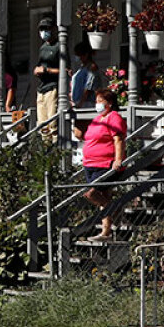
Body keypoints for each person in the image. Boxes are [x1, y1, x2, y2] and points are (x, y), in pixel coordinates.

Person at [72, 88, 126, 240]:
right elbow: (88, 137)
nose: (97, 105)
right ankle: (105, 232)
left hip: (105, 164)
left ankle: (115, 209)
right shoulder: (97, 119)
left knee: (91, 193)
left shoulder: (114, 117)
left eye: (100, 101)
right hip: (90, 164)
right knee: (104, 196)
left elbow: (118, 139)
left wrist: (118, 159)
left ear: (109, 103)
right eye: (96, 101)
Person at [34, 19, 60, 140]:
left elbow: (66, 70)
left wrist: (47, 70)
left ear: (53, 29)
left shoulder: (59, 46)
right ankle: (47, 154)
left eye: (47, 29)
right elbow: (40, 65)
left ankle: (56, 152)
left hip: (53, 88)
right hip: (41, 88)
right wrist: (37, 70)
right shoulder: (42, 48)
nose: (44, 32)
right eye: (41, 29)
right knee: (42, 125)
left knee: (52, 124)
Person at [70, 40, 100, 108]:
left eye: (78, 54)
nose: (77, 57)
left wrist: (80, 104)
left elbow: (88, 87)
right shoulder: (81, 68)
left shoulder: (91, 67)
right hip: (77, 102)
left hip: (86, 103)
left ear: (85, 55)